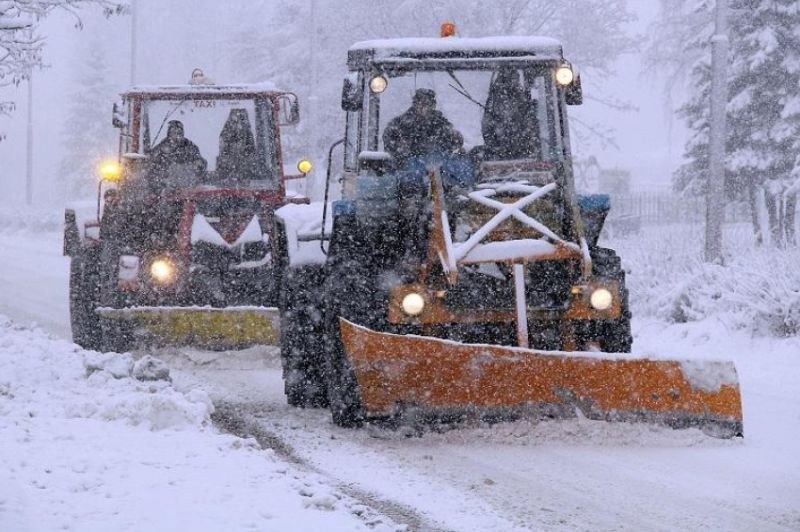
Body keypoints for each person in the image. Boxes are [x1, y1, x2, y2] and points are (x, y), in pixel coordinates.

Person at [382, 88, 463, 165]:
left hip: (436, 166)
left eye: (426, 104)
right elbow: (388, 137)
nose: (422, 107)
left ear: (433, 106)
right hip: (410, 166)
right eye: (419, 103)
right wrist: (400, 148)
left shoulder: (441, 123)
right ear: (414, 105)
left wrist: (456, 138)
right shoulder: (401, 123)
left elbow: (452, 142)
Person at [481, 68, 539, 160]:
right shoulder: (494, 100)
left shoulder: (526, 106)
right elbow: (487, 130)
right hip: (501, 158)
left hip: (523, 158)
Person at [147, 120, 207, 190]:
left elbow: (200, 163)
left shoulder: (190, 147)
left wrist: (200, 164)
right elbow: (151, 166)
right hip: (167, 189)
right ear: (169, 134)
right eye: (173, 132)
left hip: (190, 188)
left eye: (179, 132)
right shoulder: (160, 149)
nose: (177, 136)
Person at [216, 109, 260, 182]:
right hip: (227, 176)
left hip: (244, 177)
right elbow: (223, 151)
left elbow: (251, 154)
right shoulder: (226, 134)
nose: (238, 124)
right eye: (235, 120)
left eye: (241, 119)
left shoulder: (248, 136)